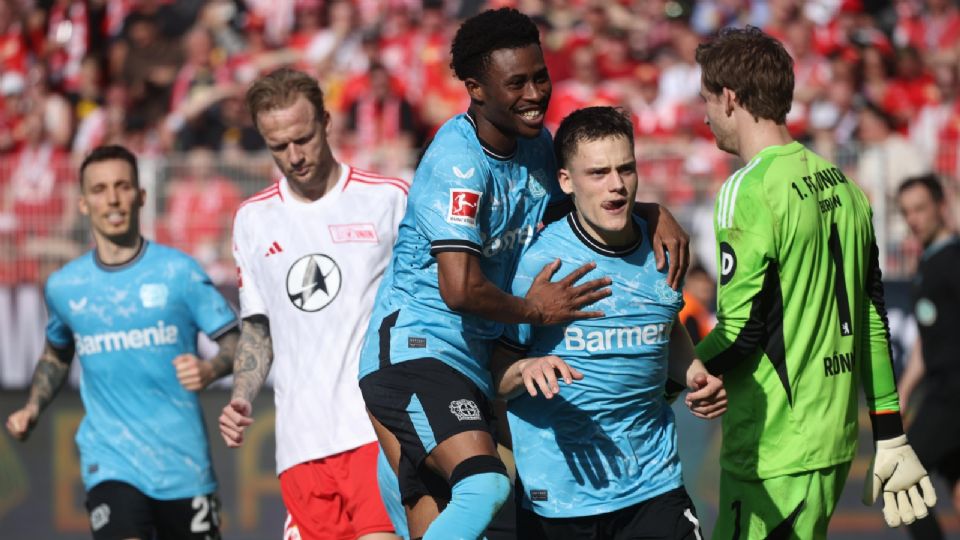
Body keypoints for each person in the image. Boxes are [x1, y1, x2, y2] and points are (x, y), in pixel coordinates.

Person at [356, 8, 690, 540]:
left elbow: (576, 204)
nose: (535, 93)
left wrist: (649, 212)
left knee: (467, 519)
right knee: (484, 489)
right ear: (476, 89)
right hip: (421, 352)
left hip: (477, 363)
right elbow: (459, 288)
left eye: (541, 76)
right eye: (517, 83)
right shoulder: (457, 162)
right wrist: (537, 311)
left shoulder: (535, 144)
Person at [692, 26, 936, 538]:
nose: (705, 114)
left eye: (707, 100)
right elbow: (873, 317)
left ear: (731, 97)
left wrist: (667, 376)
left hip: (772, 450)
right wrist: (889, 433)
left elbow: (740, 332)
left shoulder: (747, 188)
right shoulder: (845, 186)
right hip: (832, 445)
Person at [491, 106, 726, 540]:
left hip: (654, 486)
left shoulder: (667, 248)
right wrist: (526, 370)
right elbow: (493, 377)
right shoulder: (538, 264)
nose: (616, 185)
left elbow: (664, 327)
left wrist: (695, 374)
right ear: (566, 182)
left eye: (626, 169)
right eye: (597, 173)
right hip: (560, 499)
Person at [5, 144, 240, 539]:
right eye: (99, 190)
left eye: (122, 186)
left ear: (141, 195)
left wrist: (211, 367)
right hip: (110, 462)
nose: (112, 199)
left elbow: (237, 343)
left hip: (184, 466)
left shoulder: (177, 271)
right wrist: (32, 407)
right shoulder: (66, 287)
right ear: (83, 204)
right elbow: (56, 355)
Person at [216, 68, 405, 540]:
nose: (294, 156)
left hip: (374, 434)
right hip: (299, 447)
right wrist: (241, 394)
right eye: (278, 146)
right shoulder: (253, 221)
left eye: (303, 139)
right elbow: (258, 328)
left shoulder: (388, 201)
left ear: (325, 122)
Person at [896, 174, 960, 540]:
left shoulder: (952, 260)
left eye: (920, 208)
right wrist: (905, 391)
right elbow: (925, 339)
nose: (913, 219)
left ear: (940, 205)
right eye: (906, 212)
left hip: (953, 396)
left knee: (903, 478)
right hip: (939, 390)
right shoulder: (929, 264)